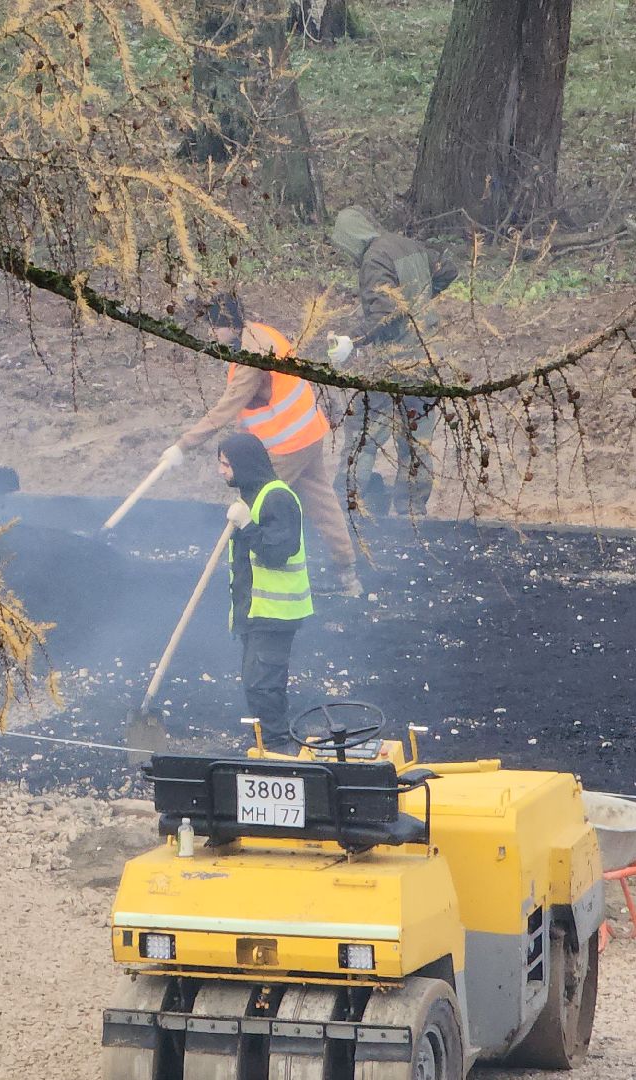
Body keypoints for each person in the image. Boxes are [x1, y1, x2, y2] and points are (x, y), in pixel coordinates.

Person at [167, 292, 361, 597]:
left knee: (251, 508)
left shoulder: (250, 358)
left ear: (229, 325)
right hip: (309, 431)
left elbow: (228, 407)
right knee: (322, 501)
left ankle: (242, 576)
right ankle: (347, 576)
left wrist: (183, 445)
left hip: (287, 444)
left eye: (215, 327)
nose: (212, 334)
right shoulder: (262, 333)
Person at [328, 206, 460, 517]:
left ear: (350, 239)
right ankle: (411, 513)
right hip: (427, 358)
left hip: (394, 363)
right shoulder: (405, 244)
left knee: (363, 432)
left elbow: (384, 314)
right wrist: (420, 300)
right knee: (417, 440)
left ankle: (346, 506)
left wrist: (353, 341)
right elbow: (448, 270)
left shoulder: (374, 258)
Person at [219, 431, 315, 754]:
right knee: (256, 685)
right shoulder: (251, 497)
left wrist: (247, 526)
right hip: (256, 613)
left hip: (276, 614)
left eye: (225, 464)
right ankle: (270, 745)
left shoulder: (277, 497)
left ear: (243, 464)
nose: (222, 472)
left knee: (265, 685)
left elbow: (280, 550)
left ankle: (278, 749)